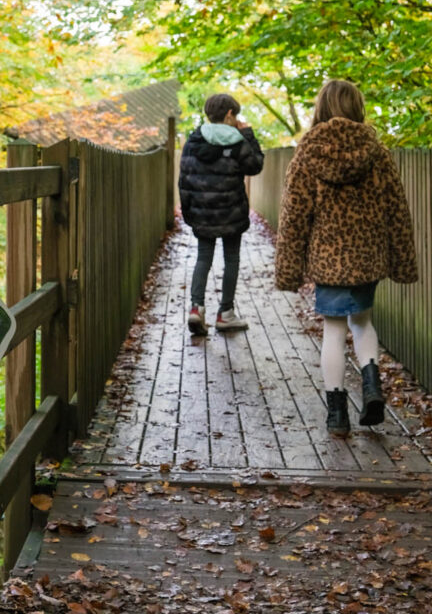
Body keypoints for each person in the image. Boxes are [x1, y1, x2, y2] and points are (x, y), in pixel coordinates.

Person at [275, 79, 418, 437]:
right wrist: (402, 259)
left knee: (333, 331)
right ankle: (371, 386)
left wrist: (289, 270)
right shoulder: (377, 153)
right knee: (363, 323)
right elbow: (396, 210)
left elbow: (293, 216)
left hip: (328, 260)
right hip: (368, 257)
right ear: (357, 108)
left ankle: (337, 415)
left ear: (321, 109)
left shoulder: (308, 154)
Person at [179, 93, 264, 335]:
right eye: (235, 115)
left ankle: (196, 308)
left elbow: (183, 179)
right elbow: (255, 165)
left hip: (202, 213)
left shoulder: (194, 140)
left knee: (203, 258)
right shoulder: (237, 141)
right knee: (232, 259)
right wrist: (248, 135)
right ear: (229, 114)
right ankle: (225, 313)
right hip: (231, 211)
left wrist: (189, 213)